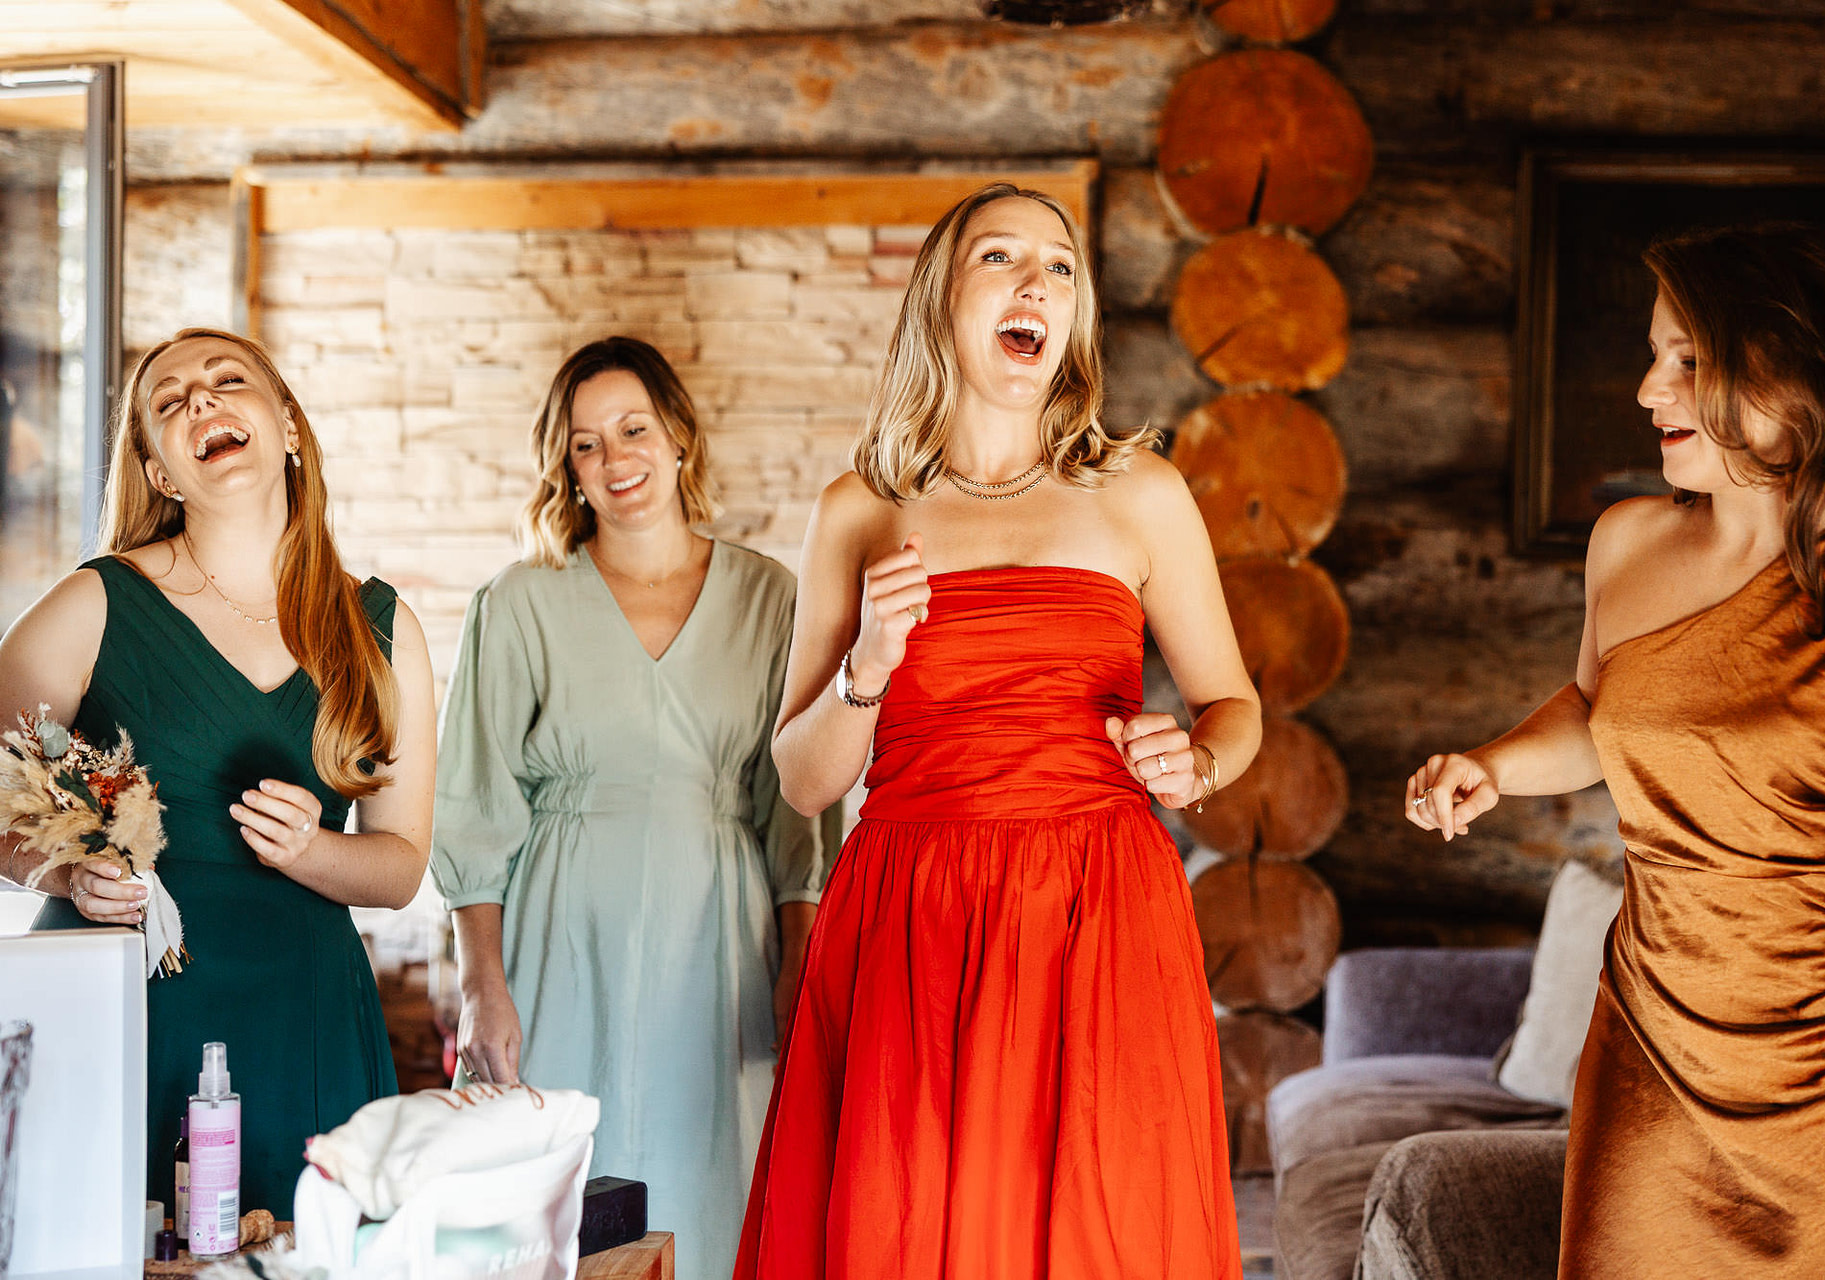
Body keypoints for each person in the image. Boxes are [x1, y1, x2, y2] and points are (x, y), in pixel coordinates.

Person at [733, 183, 1260, 1280]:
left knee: (1099, 1234)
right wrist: (868, 666)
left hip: (1098, 913)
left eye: (1060, 267)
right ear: (942, 298)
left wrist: (1199, 759)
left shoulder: (1140, 493)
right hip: (912, 920)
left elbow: (1235, 707)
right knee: (904, 1227)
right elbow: (804, 782)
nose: (1038, 283)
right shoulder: (858, 508)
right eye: (1001, 258)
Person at [1405, 225, 1825, 1276]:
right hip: (1649, 1050)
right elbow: (1598, 709)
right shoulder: (1628, 541)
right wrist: (1493, 765)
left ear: (1797, 367)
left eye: (1688, 359)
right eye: (1655, 356)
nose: (1649, 391)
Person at [0, 327, 437, 1218]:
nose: (201, 399)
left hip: (303, 1014)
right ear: (159, 472)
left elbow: (399, 867)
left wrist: (312, 851)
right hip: (123, 1004)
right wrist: (65, 875)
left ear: (288, 428)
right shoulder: (94, 603)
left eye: (228, 380)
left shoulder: (381, 629)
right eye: (169, 402)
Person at [432, 336, 827, 1280]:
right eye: (586, 444)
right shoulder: (517, 603)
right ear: (567, 470)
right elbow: (474, 806)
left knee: (714, 1188)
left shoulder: (772, 599)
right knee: (556, 1207)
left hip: (721, 946)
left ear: (678, 435)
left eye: (633, 429)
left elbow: (799, 812)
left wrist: (801, 965)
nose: (615, 459)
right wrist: (482, 984)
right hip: (560, 936)